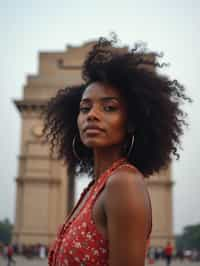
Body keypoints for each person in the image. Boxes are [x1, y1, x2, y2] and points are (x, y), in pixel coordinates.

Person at [43, 35, 191, 266]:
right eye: (85, 108)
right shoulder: (96, 187)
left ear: (131, 121)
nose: (92, 114)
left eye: (109, 107)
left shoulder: (124, 183)